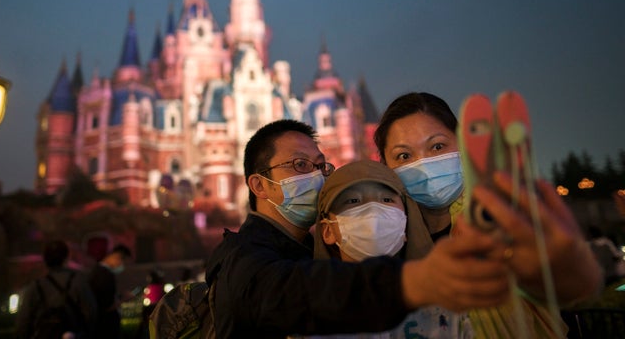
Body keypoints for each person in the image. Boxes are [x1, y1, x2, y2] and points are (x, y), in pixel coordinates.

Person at [205, 119, 513, 338]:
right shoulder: (245, 259)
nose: (316, 176)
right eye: (300, 165)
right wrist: (413, 281)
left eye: (320, 166)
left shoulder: (297, 251)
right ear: (259, 185)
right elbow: (297, 292)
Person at [373, 91, 603, 337]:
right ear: (386, 167)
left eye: (437, 146)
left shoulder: (501, 219)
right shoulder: (388, 240)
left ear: (462, 144)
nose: (424, 163)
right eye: (404, 156)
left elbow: (566, 287)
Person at [311, 159, 473, 338]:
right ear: (327, 231)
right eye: (353, 200)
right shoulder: (310, 313)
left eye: (386, 199)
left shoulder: (446, 307)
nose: (372, 211)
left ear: (406, 222)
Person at [16, 239, 97, 339]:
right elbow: (91, 314)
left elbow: (23, 321)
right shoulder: (79, 283)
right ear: (66, 258)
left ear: (45, 260)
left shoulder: (35, 286)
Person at [88, 244, 133, 339]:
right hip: (106, 327)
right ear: (118, 257)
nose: (122, 266)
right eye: (124, 262)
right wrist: (124, 299)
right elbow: (106, 305)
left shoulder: (97, 271)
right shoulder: (104, 275)